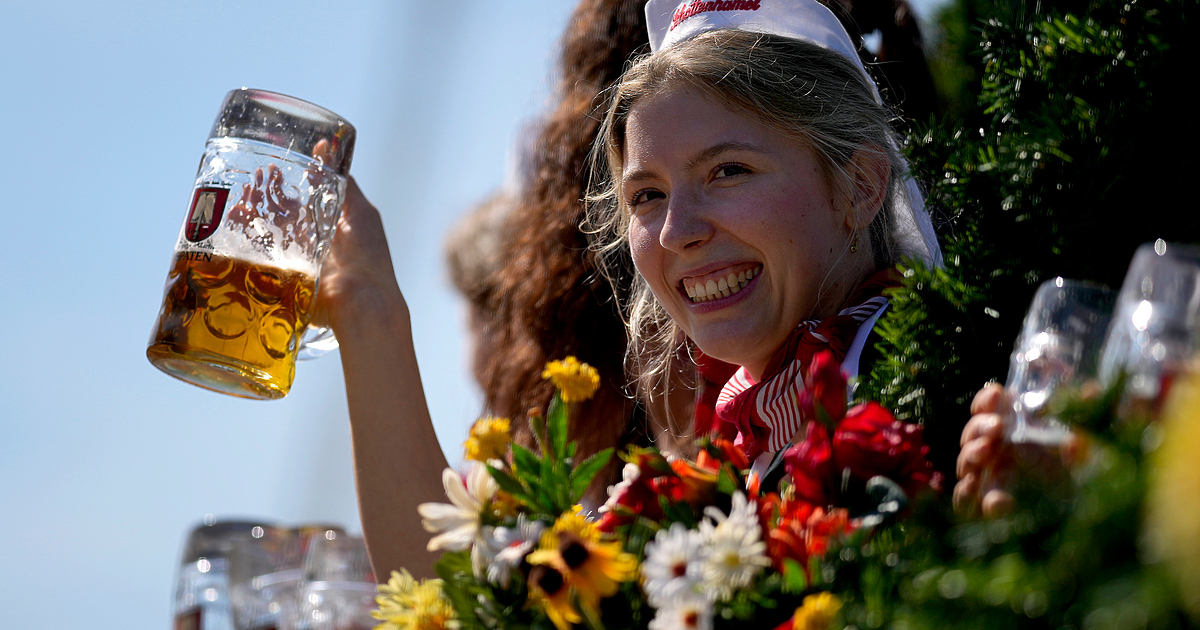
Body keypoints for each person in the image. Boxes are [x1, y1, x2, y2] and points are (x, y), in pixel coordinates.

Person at [585, 0, 942, 474]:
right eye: (647, 196)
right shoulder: (737, 444)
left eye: (728, 171)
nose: (676, 232)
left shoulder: (947, 384)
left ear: (861, 185)